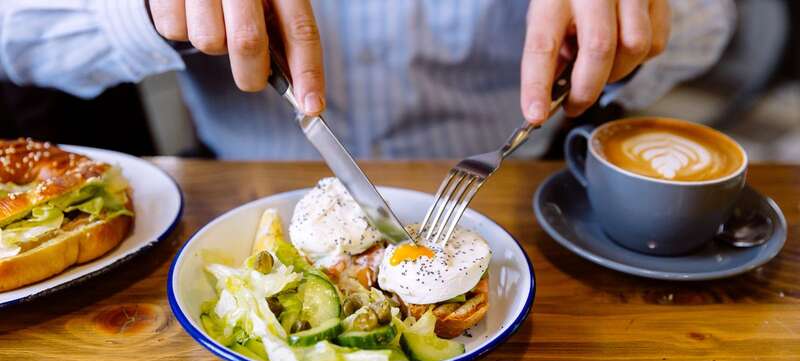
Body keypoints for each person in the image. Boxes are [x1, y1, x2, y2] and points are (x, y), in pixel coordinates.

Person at [0, 1, 734, 160]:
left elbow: (715, 21)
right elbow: (13, 38)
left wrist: (647, 16)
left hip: (523, 204)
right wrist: (147, 8)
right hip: (236, 197)